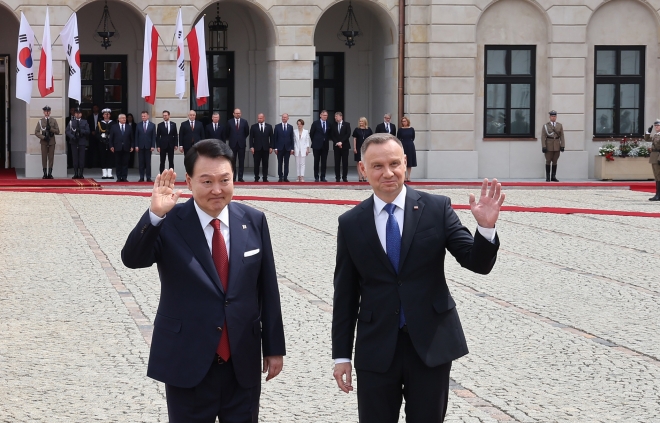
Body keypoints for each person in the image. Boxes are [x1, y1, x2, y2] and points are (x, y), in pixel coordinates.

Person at [332, 133, 504, 423]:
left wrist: (486, 230)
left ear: (405, 164)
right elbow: (345, 295)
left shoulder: (436, 208)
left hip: (430, 345)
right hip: (376, 348)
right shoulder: (351, 223)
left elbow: (476, 262)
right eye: (377, 166)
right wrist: (341, 356)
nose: (387, 173)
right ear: (363, 170)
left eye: (394, 163)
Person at [121, 140, 286, 423]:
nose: (217, 190)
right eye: (207, 181)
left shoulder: (253, 220)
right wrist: (155, 214)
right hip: (188, 360)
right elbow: (133, 258)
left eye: (225, 180)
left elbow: (267, 288)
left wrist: (273, 348)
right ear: (188, 180)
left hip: (241, 361)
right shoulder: (170, 221)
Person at [34, 105, 60, 179]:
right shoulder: (41, 121)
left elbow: (58, 131)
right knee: (44, 157)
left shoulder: (53, 120)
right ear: (44, 112)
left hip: (51, 141)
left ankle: (50, 173)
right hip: (44, 141)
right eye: (45, 111)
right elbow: (36, 132)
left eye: (48, 111)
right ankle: (45, 173)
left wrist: (51, 129)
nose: (47, 113)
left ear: (50, 112)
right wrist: (43, 137)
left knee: (51, 158)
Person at [225, 108, 250, 182]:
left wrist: (241, 138)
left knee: (241, 161)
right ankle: (233, 177)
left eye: (239, 113)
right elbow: (227, 133)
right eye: (236, 113)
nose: (237, 114)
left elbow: (246, 132)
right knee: (233, 161)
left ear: (241, 114)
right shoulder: (229, 122)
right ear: (233, 114)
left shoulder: (244, 122)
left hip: (241, 144)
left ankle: (240, 177)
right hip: (233, 144)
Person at [66, 108, 91, 179]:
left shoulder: (85, 122)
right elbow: (67, 131)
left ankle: (81, 173)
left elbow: (88, 131)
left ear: (81, 114)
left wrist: (81, 131)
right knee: (75, 158)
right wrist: (72, 137)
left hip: (81, 141)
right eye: (76, 113)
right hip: (74, 141)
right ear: (74, 114)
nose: (77, 114)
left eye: (79, 113)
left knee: (81, 158)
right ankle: (76, 173)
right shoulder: (71, 122)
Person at [109, 113, 134, 182]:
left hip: (126, 147)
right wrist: (111, 146)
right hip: (117, 147)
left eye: (125, 118)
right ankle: (119, 177)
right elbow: (111, 138)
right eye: (122, 118)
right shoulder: (114, 127)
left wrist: (132, 146)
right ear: (119, 119)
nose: (124, 119)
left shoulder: (129, 127)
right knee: (118, 163)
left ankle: (124, 177)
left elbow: (131, 138)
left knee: (125, 163)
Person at [541, 110, 565, 182]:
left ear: (556, 117)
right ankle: (548, 177)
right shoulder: (546, 126)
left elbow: (562, 136)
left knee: (555, 161)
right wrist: (544, 146)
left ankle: (553, 176)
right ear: (549, 117)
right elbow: (543, 136)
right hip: (549, 145)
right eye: (552, 116)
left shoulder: (559, 125)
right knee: (548, 161)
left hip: (557, 145)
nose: (553, 118)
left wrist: (562, 145)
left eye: (554, 116)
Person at [249, 113, 273, 182]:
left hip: (266, 148)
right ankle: (256, 177)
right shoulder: (254, 127)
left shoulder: (269, 127)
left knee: (265, 163)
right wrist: (251, 147)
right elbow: (251, 138)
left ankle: (265, 177)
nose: (259, 119)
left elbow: (271, 138)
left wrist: (271, 147)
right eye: (258, 118)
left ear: (264, 118)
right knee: (256, 164)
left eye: (261, 118)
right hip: (257, 148)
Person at [309, 110, 331, 182]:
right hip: (316, 145)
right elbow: (311, 133)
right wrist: (315, 141)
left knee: (324, 162)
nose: (325, 117)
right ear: (320, 115)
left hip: (325, 146)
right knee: (316, 161)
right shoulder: (316, 123)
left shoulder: (328, 124)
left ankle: (323, 176)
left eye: (326, 116)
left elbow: (329, 134)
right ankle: (316, 176)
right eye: (324, 115)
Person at [135, 110, 157, 182]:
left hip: (148, 146)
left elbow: (154, 136)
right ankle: (141, 177)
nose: (143, 117)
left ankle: (148, 177)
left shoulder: (152, 125)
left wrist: (153, 146)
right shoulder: (138, 125)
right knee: (141, 162)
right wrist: (136, 145)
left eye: (144, 116)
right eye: (142, 116)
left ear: (148, 116)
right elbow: (136, 136)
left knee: (148, 163)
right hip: (140, 146)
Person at [273, 113, 295, 182]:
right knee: (280, 163)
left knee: (286, 163)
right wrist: (275, 148)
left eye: (285, 117)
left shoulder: (290, 127)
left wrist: (292, 148)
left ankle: (285, 177)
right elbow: (275, 138)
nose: (284, 118)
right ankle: (280, 177)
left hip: (287, 148)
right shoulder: (277, 127)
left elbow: (292, 138)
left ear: (288, 118)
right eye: (283, 117)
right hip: (279, 148)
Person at [330, 111, 351, 182]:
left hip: (345, 146)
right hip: (336, 147)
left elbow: (348, 134)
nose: (335, 118)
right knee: (337, 162)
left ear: (341, 117)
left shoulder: (347, 124)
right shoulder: (333, 125)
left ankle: (344, 177)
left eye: (337, 116)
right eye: (335, 116)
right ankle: (337, 177)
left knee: (345, 162)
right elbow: (332, 135)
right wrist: (337, 143)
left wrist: (341, 142)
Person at [156, 110, 178, 174]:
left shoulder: (173, 124)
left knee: (171, 161)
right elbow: (157, 136)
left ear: (169, 116)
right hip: (162, 145)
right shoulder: (160, 125)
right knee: (162, 161)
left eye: (166, 115)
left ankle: (171, 175)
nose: (164, 117)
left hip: (171, 145)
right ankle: (161, 175)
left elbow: (176, 135)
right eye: (163, 115)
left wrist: (176, 144)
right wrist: (158, 146)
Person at [352, 117, 373, 182]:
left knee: (365, 162)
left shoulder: (369, 129)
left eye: (362, 121)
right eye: (360, 121)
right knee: (359, 162)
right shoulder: (356, 129)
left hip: (366, 147)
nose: (361, 123)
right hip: (358, 147)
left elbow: (371, 139)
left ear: (365, 122)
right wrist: (355, 148)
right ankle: (360, 177)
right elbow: (354, 139)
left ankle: (365, 176)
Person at [397, 116, 416, 182]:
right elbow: (398, 138)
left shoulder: (411, 129)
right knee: (403, 161)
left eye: (405, 121)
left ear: (407, 121)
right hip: (403, 145)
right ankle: (404, 176)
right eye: (402, 121)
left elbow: (413, 137)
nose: (403, 122)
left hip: (410, 145)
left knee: (409, 161)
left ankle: (409, 176)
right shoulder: (400, 130)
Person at [644, 120, 660, 201]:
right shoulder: (656, 135)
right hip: (654, 156)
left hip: (658, 157)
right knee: (657, 176)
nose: (656, 127)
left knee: (659, 176)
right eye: (655, 126)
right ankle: (657, 194)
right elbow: (647, 139)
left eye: (658, 125)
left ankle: (658, 195)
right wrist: (648, 132)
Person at [97, 108, 115, 179]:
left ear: (110, 115)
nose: (107, 116)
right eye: (105, 114)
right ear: (103, 115)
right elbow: (97, 133)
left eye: (108, 114)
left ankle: (109, 173)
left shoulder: (113, 123)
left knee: (110, 157)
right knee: (103, 157)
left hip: (111, 142)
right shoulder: (100, 123)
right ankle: (104, 173)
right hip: (102, 142)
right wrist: (101, 139)